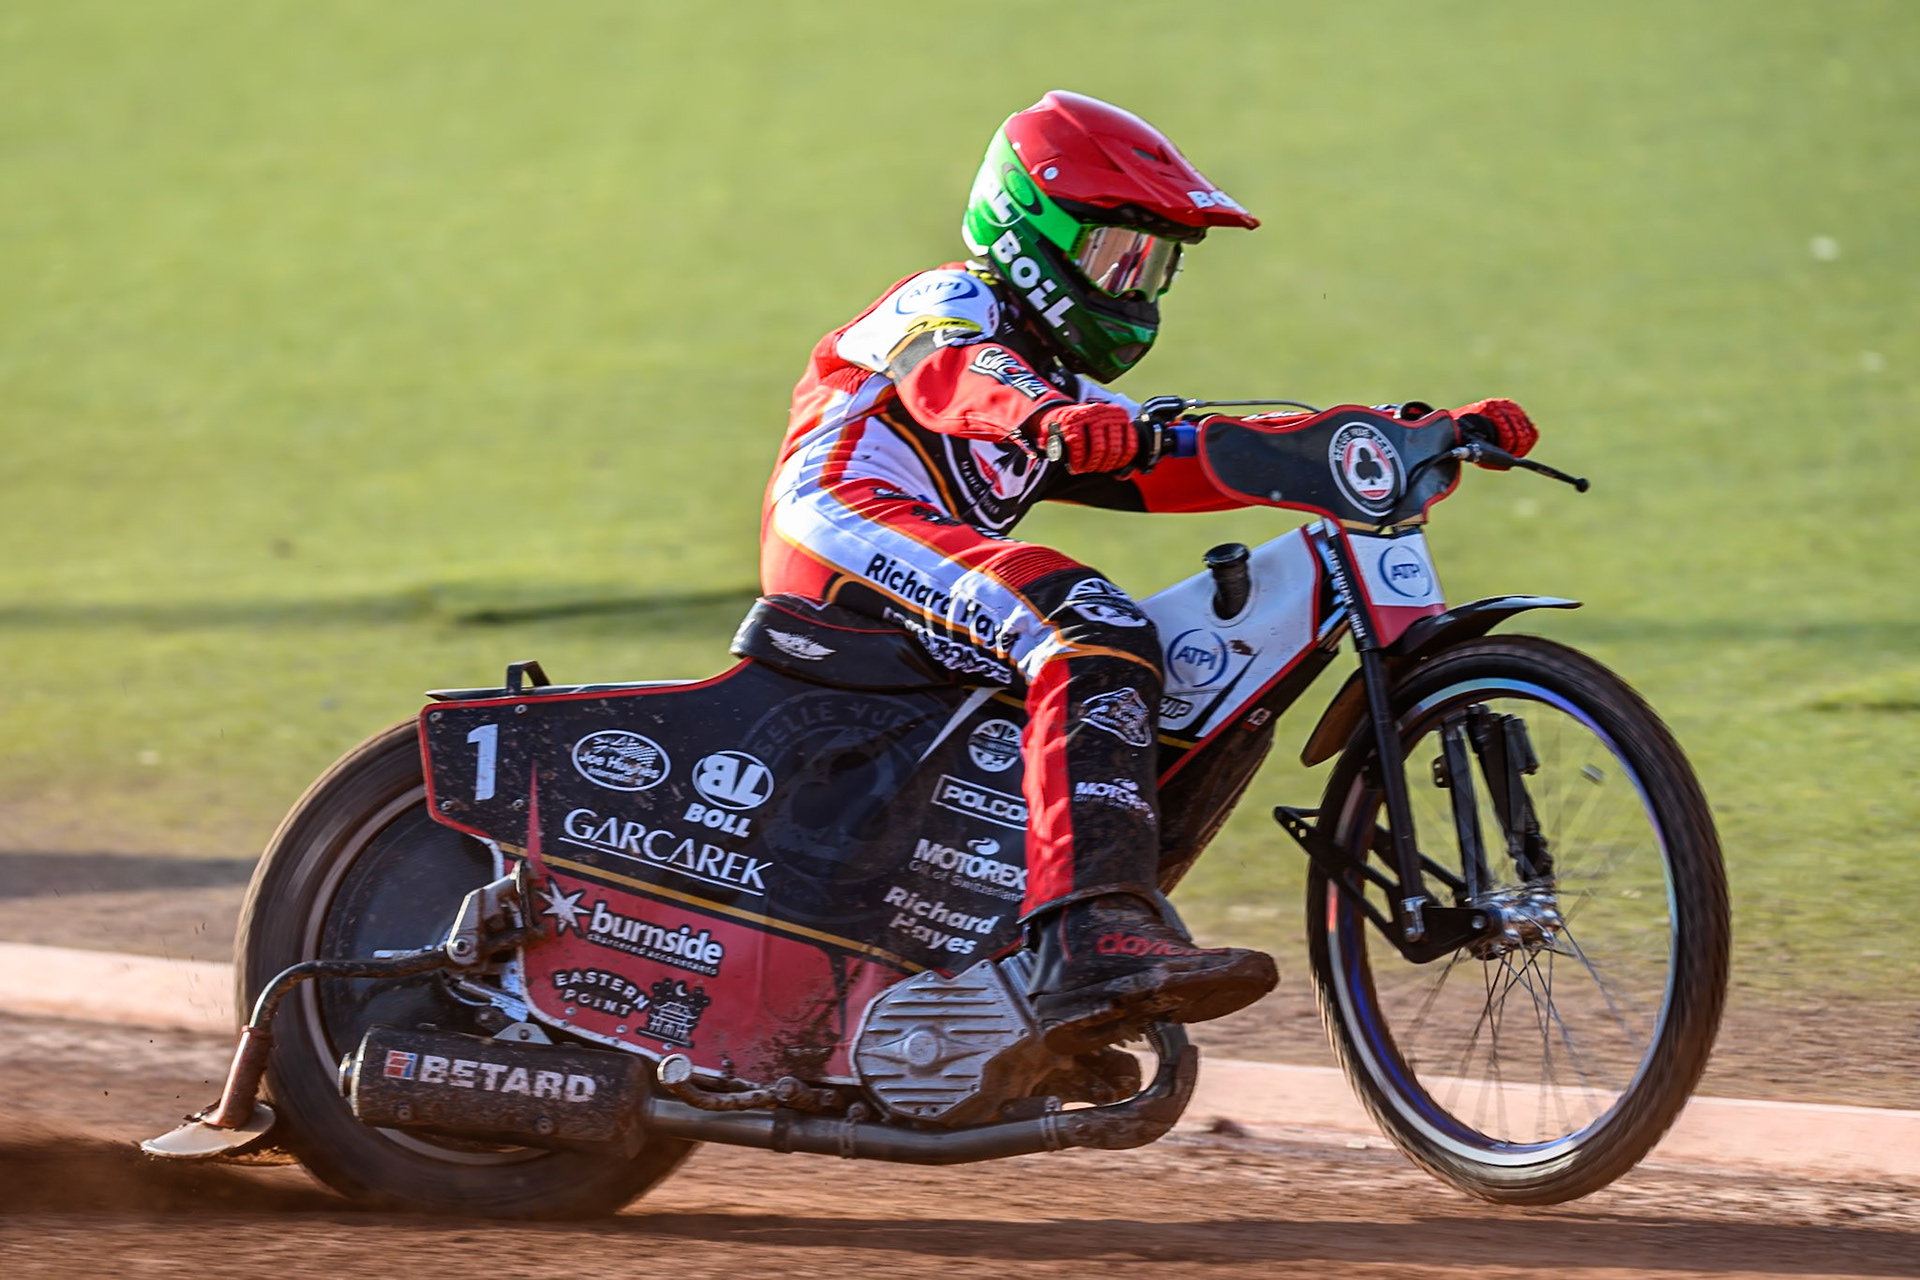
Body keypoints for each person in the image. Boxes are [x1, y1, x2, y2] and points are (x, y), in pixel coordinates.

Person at [760, 91, 1538, 1050]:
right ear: (1026, 231)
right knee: (1090, 622)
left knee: (1166, 667)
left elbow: (1197, 451)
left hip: (925, 563)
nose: (1135, 286)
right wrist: (1042, 419)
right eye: (1114, 255)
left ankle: (1033, 960)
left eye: (1154, 264)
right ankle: (1086, 933)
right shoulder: (951, 301)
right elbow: (954, 377)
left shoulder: (1064, 390)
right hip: (838, 525)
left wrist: (1397, 438)